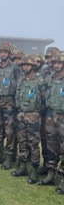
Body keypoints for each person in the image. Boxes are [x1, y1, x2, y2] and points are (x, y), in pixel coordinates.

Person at [12, 55, 46, 184]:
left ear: (33, 66)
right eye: (24, 65)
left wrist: (35, 112)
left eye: (28, 65)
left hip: (33, 116)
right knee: (22, 142)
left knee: (34, 144)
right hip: (21, 114)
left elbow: (44, 100)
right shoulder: (20, 79)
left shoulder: (39, 81)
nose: (25, 67)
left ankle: (34, 170)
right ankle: (23, 166)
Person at [0, 42, 20, 168]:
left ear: (9, 54)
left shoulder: (14, 68)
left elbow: (18, 86)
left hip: (8, 102)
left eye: (5, 52)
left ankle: (9, 156)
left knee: (9, 131)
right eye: (1, 52)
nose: (3, 54)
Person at [41, 51, 64, 194]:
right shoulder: (49, 79)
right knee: (51, 146)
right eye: (55, 62)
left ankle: (62, 178)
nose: (56, 65)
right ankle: (51, 173)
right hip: (50, 115)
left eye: (59, 63)